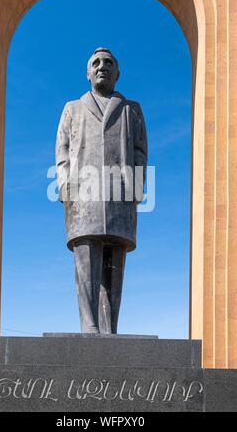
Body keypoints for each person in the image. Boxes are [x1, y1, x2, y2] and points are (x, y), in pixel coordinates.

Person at [56, 48, 148, 334]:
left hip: (120, 193)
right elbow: (62, 151)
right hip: (83, 194)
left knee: (114, 262)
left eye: (108, 63)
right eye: (95, 63)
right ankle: (89, 324)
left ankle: (110, 328)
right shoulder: (73, 108)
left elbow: (140, 151)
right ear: (87, 73)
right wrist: (65, 186)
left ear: (117, 73)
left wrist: (135, 188)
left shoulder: (131, 109)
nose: (102, 67)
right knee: (86, 255)